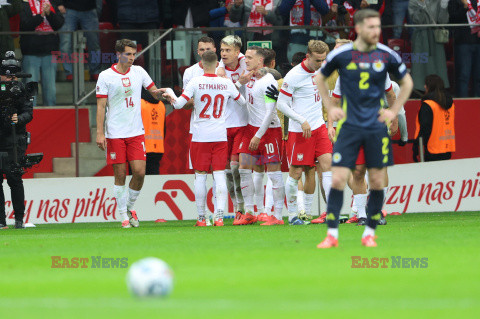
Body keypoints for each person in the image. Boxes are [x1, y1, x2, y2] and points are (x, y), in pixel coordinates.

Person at [315, 9, 413, 248]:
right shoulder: (343, 55)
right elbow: (319, 78)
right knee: (340, 177)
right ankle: (332, 235)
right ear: (358, 29)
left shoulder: (386, 54)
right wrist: (330, 109)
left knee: (377, 179)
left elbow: (407, 83)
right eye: (371, 27)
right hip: (349, 127)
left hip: (375, 127)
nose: (376, 32)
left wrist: (394, 112)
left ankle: (370, 231)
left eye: (378, 27)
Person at [161, 50, 247, 227]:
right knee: (220, 175)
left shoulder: (196, 81)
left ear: (202, 63)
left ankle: (201, 218)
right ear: (217, 64)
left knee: (200, 176)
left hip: (200, 135)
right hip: (220, 134)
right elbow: (242, 102)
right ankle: (220, 217)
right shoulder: (226, 83)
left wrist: (170, 92)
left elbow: (178, 105)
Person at [95, 39, 163, 229]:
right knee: (121, 174)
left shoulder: (139, 72)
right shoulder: (105, 76)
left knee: (140, 172)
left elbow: (154, 92)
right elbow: (100, 106)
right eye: (128, 54)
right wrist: (100, 133)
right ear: (118, 54)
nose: (132, 58)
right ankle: (123, 215)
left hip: (136, 132)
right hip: (115, 132)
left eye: (134, 54)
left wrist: (165, 94)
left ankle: (130, 207)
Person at [268, 40, 333, 226]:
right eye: (318, 60)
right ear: (307, 57)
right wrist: (300, 120)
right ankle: (295, 214)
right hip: (299, 130)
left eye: (324, 60)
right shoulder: (294, 75)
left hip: (319, 126)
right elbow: (280, 104)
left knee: (328, 166)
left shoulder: (323, 69)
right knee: (296, 172)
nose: (321, 64)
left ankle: (329, 212)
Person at [235, 46, 285, 226]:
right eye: (246, 57)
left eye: (249, 58)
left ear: (259, 61)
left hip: (269, 131)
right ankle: (250, 212)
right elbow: (240, 101)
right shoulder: (248, 79)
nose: (245, 60)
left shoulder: (269, 81)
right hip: (250, 129)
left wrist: (258, 135)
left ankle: (277, 216)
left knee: (274, 172)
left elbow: (270, 112)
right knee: (243, 169)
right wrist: (239, 84)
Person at [182, 36, 217, 225]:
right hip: (197, 128)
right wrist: (193, 101)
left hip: (221, 128)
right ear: (197, 51)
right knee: (200, 173)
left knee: (221, 173)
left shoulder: (222, 70)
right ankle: (201, 215)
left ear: (215, 50)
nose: (205, 52)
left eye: (208, 49)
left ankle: (221, 214)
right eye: (202, 49)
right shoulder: (190, 72)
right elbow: (185, 104)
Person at [0, 52, 34, 229]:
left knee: (15, 179)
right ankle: (1, 221)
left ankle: (19, 219)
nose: (10, 79)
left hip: (15, 139)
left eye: (13, 75)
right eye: (6, 75)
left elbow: (29, 113)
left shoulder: (21, 89)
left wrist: (18, 118)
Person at [218, 35, 248, 219]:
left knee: (239, 168)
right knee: (228, 171)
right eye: (222, 50)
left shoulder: (245, 64)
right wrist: (238, 83)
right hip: (224, 124)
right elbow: (225, 95)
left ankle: (244, 206)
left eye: (228, 50)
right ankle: (236, 206)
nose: (224, 54)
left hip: (243, 123)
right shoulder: (218, 71)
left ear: (238, 52)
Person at [20, 0, 64, 107]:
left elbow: (59, 24)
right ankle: (28, 117)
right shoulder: (24, 5)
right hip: (31, 52)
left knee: (50, 91)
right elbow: (25, 25)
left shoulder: (51, 4)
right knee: (30, 90)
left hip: (49, 51)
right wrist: (41, 16)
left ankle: (51, 118)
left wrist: (49, 14)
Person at [408, 0, 450, 92]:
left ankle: (439, 89)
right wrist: (421, 6)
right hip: (421, 38)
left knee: (438, 65)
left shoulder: (439, 1)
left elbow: (443, 21)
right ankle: (419, 90)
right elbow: (417, 20)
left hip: (436, 38)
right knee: (420, 66)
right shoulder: (413, 2)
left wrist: (444, 6)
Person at [413, 74, 455, 162]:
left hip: (432, 149)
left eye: (426, 84)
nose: (424, 86)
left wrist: (416, 148)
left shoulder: (428, 105)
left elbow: (424, 128)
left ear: (430, 87)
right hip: (447, 148)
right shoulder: (451, 105)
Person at [58, 0, 101, 81]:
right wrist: (58, 3)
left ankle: (95, 71)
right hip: (68, 8)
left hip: (89, 9)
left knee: (94, 43)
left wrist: (98, 8)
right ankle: (69, 72)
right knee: (65, 44)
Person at [448, 0, 480, 97]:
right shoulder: (456, 1)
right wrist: (465, 7)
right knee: (463, 77)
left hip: (478, 42)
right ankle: (462, 105)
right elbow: (452, 19)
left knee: (478, 78)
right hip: (463, 43)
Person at [140, 88, 165, 175]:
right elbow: (164, 128)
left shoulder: (140, 104)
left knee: (137, 180)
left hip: (141, 148)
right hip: (158, 147)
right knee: (153, 179)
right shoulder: (161, 105)